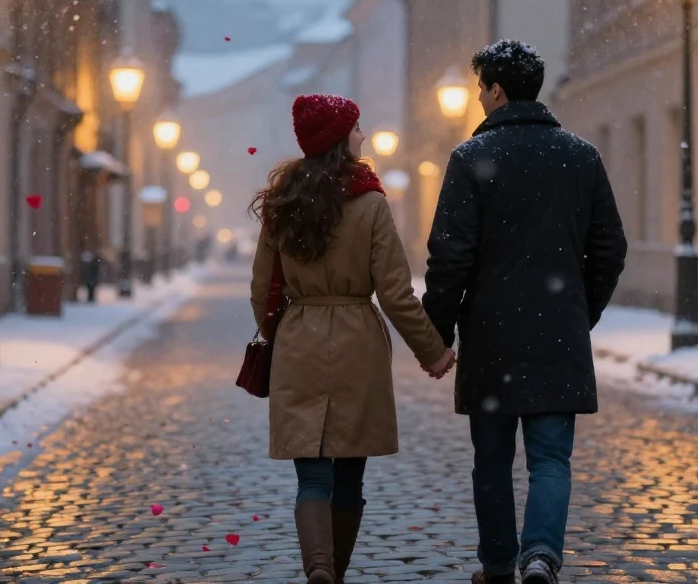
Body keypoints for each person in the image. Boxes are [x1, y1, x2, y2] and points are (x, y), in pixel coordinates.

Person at [422, 40, 628, 584]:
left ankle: (495, 565)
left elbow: (449, 255)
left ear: (496, 90)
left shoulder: (471, 159)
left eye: (480, 89)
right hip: (558, 331)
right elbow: (610, 246)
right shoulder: (580, 155)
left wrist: (438, 332)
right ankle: (540, 555)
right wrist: (580, 308)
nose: (479, 100)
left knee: (491, 460)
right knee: (550, 459)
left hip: (491, 335)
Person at [250, 93, 457, 584]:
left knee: (312, 475)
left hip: (300, 337)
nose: (363, 136)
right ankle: (335, 572)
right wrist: (433, 351)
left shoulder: (282, 204)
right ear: (341, 140)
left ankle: (318, 567)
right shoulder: (369, 204)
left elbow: (262, 289)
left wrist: (283, 333)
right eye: (356, 128)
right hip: (357, 343)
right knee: (349, 474)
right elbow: (396, 292)